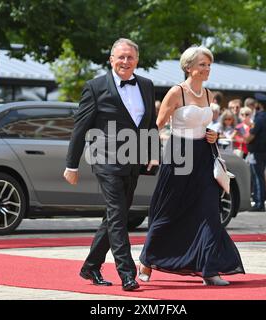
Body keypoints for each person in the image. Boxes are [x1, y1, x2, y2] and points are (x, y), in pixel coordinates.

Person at [138, 46, 245, 287]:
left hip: (203, 156)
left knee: (208, 212)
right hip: (178, 154)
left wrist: (212, 136)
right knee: (168, 211)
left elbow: (206, 124)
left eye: (209, 65)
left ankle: (209, 269)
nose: (207, 69)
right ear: (189, 67)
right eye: (202, 65)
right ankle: (146, 260)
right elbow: (157, 124)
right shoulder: (177, 93)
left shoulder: (209, 94)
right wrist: (151, 153)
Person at [63, 38, 158, 291]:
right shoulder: (95, 87)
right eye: (121, 57)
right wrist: (71, 164)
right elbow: (80, 127)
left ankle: (91, 266)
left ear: (137, 60)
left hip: (133, 159)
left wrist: (153, 152)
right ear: (111, 60)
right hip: (105, 159)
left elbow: (151, 123)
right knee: (118, 214)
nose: (125, 62)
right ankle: (127, 274)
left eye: (130, 57)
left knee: (117, 215)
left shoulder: (147, 85)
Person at [246, 93, 266, 212]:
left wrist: (245, 138)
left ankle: (259, 202)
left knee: (257, 177)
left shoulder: (259, 118)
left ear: (258, 104)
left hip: (257, 150)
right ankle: (260, 201)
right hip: (265, 150)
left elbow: (251, 136)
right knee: (260, 176)